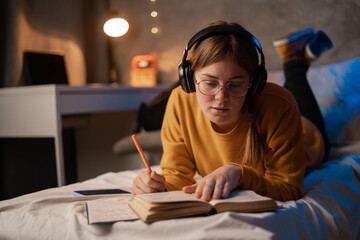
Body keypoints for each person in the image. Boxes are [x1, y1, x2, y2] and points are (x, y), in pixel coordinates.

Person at [131, 20, 333, 202]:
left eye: (235, 85)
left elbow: (288, 188)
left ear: (254, 85)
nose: (221, 97)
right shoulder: (179, 100)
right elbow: (178, 175)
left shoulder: (281, 104)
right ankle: (299, 58)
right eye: (210, 83)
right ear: (189, 79)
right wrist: (158, 186)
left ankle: (294, 62)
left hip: (308, 137)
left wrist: (240, 174)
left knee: (292, 86)